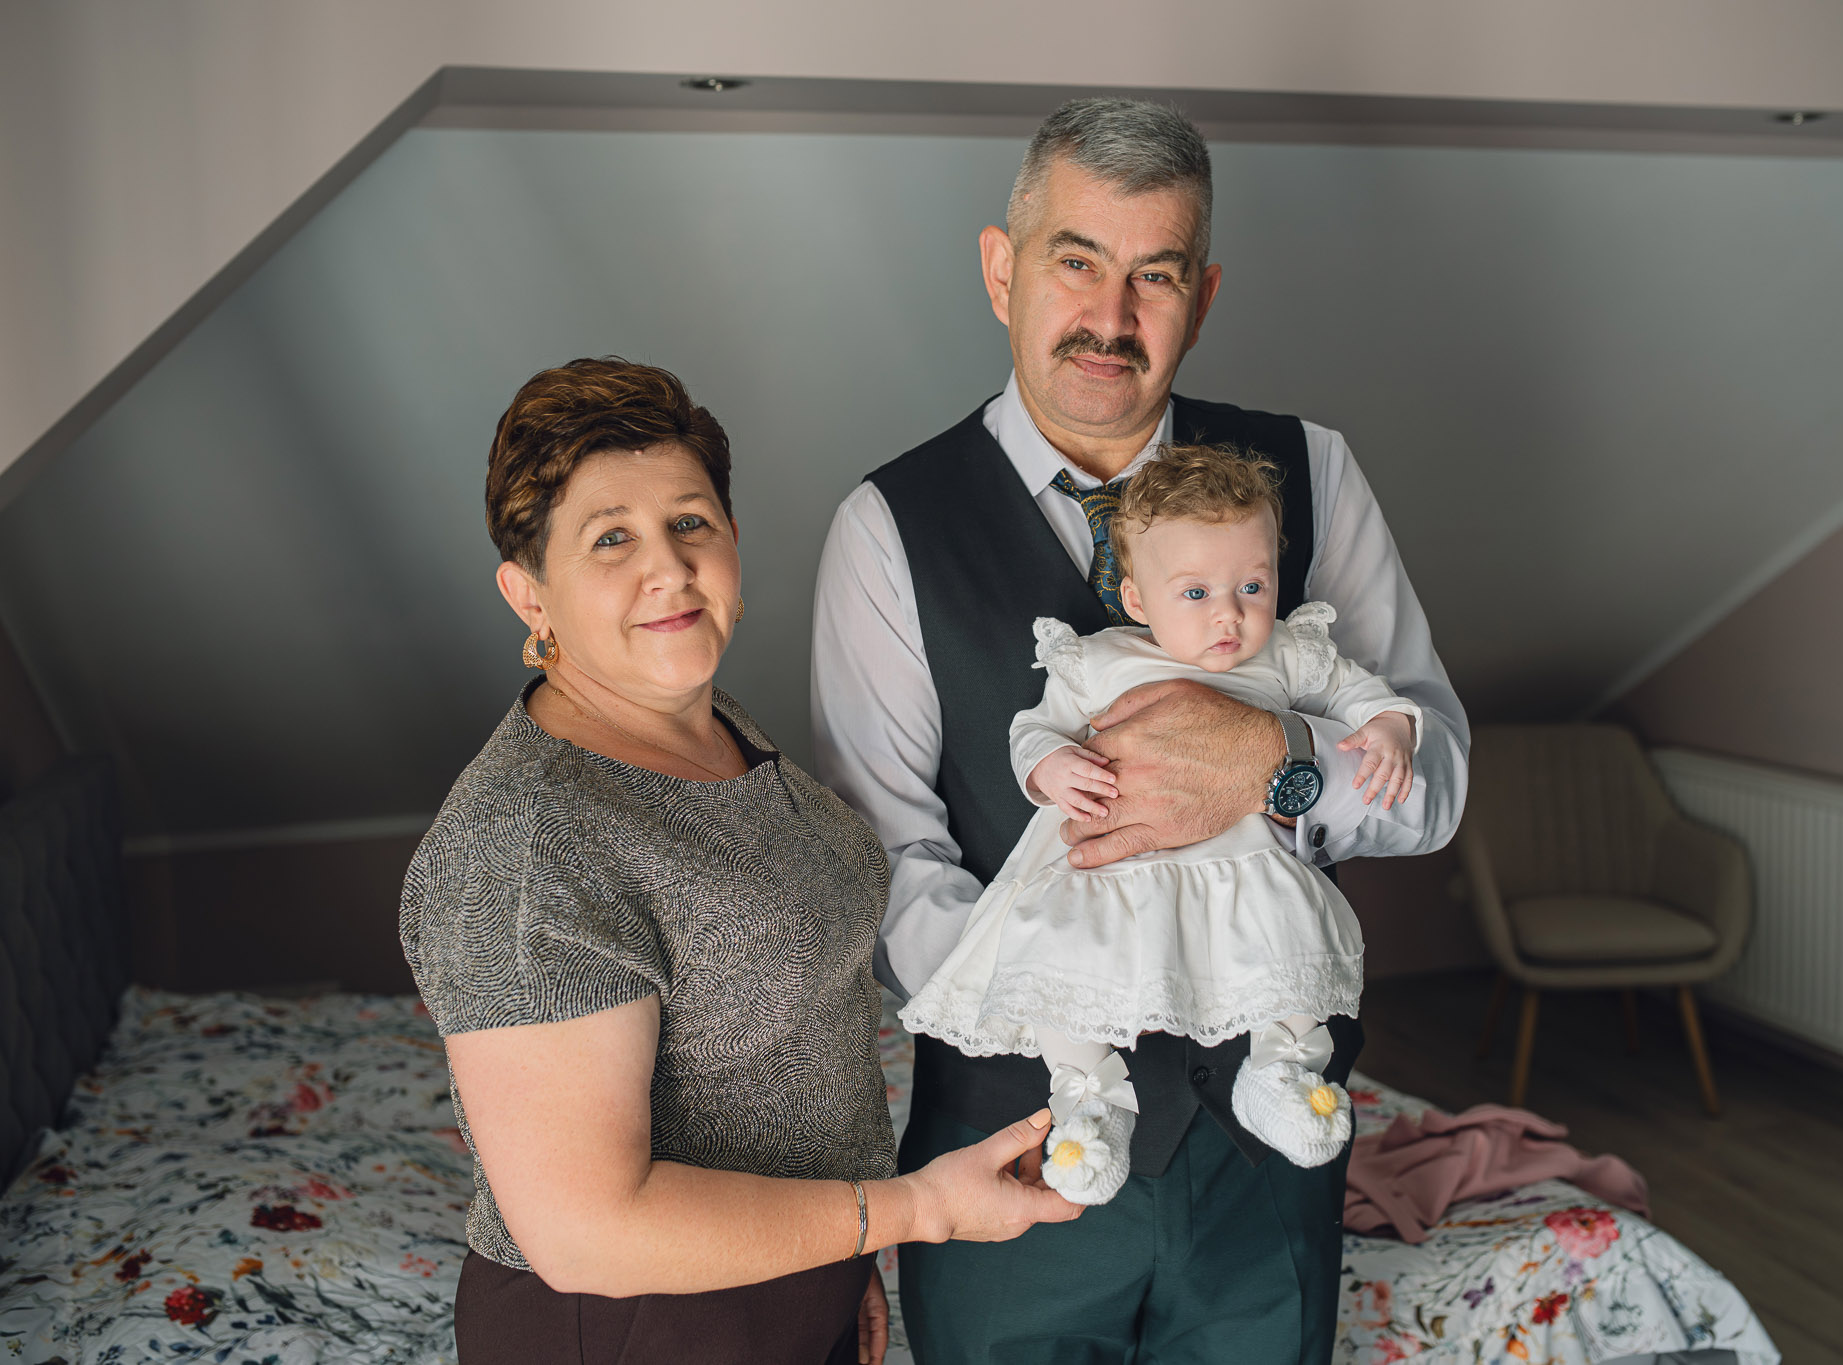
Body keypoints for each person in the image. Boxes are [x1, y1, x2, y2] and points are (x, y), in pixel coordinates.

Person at [812, 99, 1469, 1361]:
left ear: (1201, 297)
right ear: (1000, 269)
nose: (1110, 317)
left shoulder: (1311, 471)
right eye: (1075, 261)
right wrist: (1057, 995)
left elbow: (1429, 777)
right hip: (1020, 1144)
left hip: (1263, 1148)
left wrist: (1279, 768)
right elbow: (883, 862)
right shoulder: (888, 526)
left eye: (1154, 275)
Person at [399, 357, 1079, 1365]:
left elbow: (779, 1044)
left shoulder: (708, 723)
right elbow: (586, 1231)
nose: (670, 569)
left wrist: (838, 1259)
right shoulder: (527, 846)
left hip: (781, 1280)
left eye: (691, 521)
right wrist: (909, 1210)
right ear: (528, 593)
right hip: (633, 1328)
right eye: (611, 538)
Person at [897, 444, 1424, 1205]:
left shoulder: (1286, 653)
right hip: (1114, 873)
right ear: (1139, 600)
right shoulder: (1099, 661)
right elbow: (1033, 730)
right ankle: (1090, 1096)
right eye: (1197, 592)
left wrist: (1390, 726)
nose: (1230, 614)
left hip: (1243, 860)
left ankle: (1281, 1067)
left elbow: (1362, 691)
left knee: (1290, 939)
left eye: (1252, 586)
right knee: (1060, 964)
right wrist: (1051, 766)